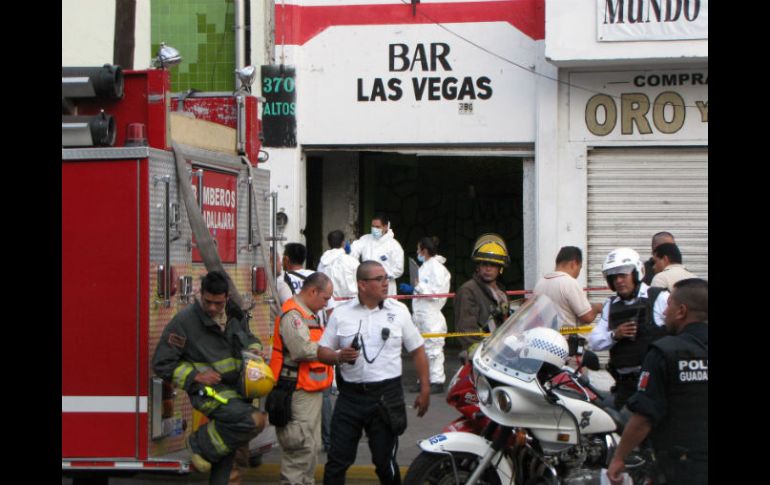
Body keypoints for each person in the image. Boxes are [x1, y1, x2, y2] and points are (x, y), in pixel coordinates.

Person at [317, 261, 431, 485]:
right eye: (379, 279)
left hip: (385, 396)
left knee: (384, 461)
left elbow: (418, 351)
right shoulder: (341, 314)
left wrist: (425, 388)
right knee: (337, 461)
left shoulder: (398, 312)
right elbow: (322, 351)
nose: (385, 283)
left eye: (386, 278)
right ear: (362, 285)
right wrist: (339, 356)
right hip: (350, 397)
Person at [152, 271, 268, 484]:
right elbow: (162, 363)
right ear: (201, 295)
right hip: (209, 392)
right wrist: (197, 376)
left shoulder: (234, 315)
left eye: (218, 303)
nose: (212, 308)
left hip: (237, 391)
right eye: (208, 302)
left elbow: (249, 338)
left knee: (235, 456)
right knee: (254, 421)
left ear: (226, 298)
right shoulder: (184, 322)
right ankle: (199, 444)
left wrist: (254, 351)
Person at [607, 278, 708, 485]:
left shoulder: (665, 352)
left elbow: (644, 418)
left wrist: (619, 458)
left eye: (668, 305)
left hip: (681, 469)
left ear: (681, 311)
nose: (664, 312)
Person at [269, 272, 335, 485]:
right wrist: (334, 354)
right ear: (313, 291)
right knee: (299, 452)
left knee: (310, 450)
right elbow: (302, 350)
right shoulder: (293, 316)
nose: (326, 304)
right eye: (325, 298)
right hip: (297, 393)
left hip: (308, 392)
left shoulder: (306, 314)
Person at [588, 248, 669, 410]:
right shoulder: (610, 305)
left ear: (636, 273)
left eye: (623, 275)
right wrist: (615, 335)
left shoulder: (659, 298)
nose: (618, 280)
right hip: (625, 386)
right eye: (614, 277)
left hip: (655, 384)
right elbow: (594, 342)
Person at [399, 236, 452, 394]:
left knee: (433, 349)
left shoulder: (438, 269)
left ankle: (436, 380)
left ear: (425, 250)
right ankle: (423, 380)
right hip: (421, 315)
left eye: (418, 249)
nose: (417, 253)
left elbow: (436, 294)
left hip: (431, 315)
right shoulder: (424, 267)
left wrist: (418, 287)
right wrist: (414, 289)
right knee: (421, 348)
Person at [455, 233, 511, 362]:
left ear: (500, 268)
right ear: (478, 266)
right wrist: (479, 354)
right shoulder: (468, 290)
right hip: (481, 356)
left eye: (493, 265)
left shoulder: (501, 291)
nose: (488, 269)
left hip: (500, 352)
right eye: (484, 264)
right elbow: (466, 330)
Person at [533, 246, 603, 328]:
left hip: (547, 336)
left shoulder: (540, 283)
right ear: (573, 264)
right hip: (567, 339)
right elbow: (587, 317)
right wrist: (597, 307)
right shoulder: (569, 283)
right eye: (580, 267)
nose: (578, 273)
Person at [349, 213, 404, 296]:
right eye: (372, 226)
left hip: (387, 287)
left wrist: (380, 276)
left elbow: (398, 269)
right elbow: (353, 253)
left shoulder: (394, 245)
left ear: (385, 227)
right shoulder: (365, 239)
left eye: (377, 227)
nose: (374, 229)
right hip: (367, 285)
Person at [317, 229, 360, 310]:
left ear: (329, 243)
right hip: (351, 307)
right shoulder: (352, 261)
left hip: (329, 307)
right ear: (343, 243)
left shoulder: (322, 263)